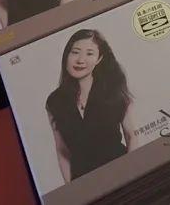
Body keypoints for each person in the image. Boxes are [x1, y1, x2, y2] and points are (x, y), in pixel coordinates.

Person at [45, 29, 138, 182]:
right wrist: (72, 188)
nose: (80, 60)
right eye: (75, 52)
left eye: (89, 53)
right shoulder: (54, 101)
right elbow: (62, 151)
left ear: (99, 59)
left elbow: (131, 136)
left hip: (120, 172)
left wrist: (130, 173)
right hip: (83, 180)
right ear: (66, 55)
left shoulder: (113, 89)